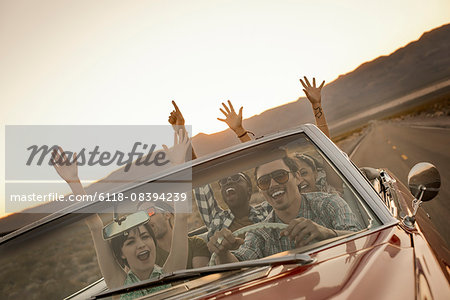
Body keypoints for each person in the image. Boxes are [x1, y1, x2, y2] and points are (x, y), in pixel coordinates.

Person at [52, 131, 190, 298]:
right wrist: (74, 182)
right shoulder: (118, 285)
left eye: (145, 237)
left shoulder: (171, 275)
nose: (141, 244)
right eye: (131, 241)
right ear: (121, 253)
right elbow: (95, 226)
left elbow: (181, 217)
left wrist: (178, 166)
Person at [207, 156, 362, 264]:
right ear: (261, 191)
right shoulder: (260, 233)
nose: (273, 184)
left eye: (280, 176)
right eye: (264, 182)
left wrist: (326, 233)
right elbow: (241, 264)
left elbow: (362, 239)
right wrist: (222, 251)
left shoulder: (328, 203)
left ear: (297, 177)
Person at [168, 101, 272, 240]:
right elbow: (199, 176)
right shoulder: (216, 220)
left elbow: (269, 170)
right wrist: (182, 131)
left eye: (236, 178)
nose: (228, 181)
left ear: (249, 188)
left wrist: (240, 131)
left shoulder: (269, 210)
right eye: (223, 181)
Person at [137, 201, 211, 269]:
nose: (146, 221)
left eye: (149, 212)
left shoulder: (196, 244)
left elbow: (201, 279)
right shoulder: (148, 257)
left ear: (167, 214)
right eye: (141, 218)